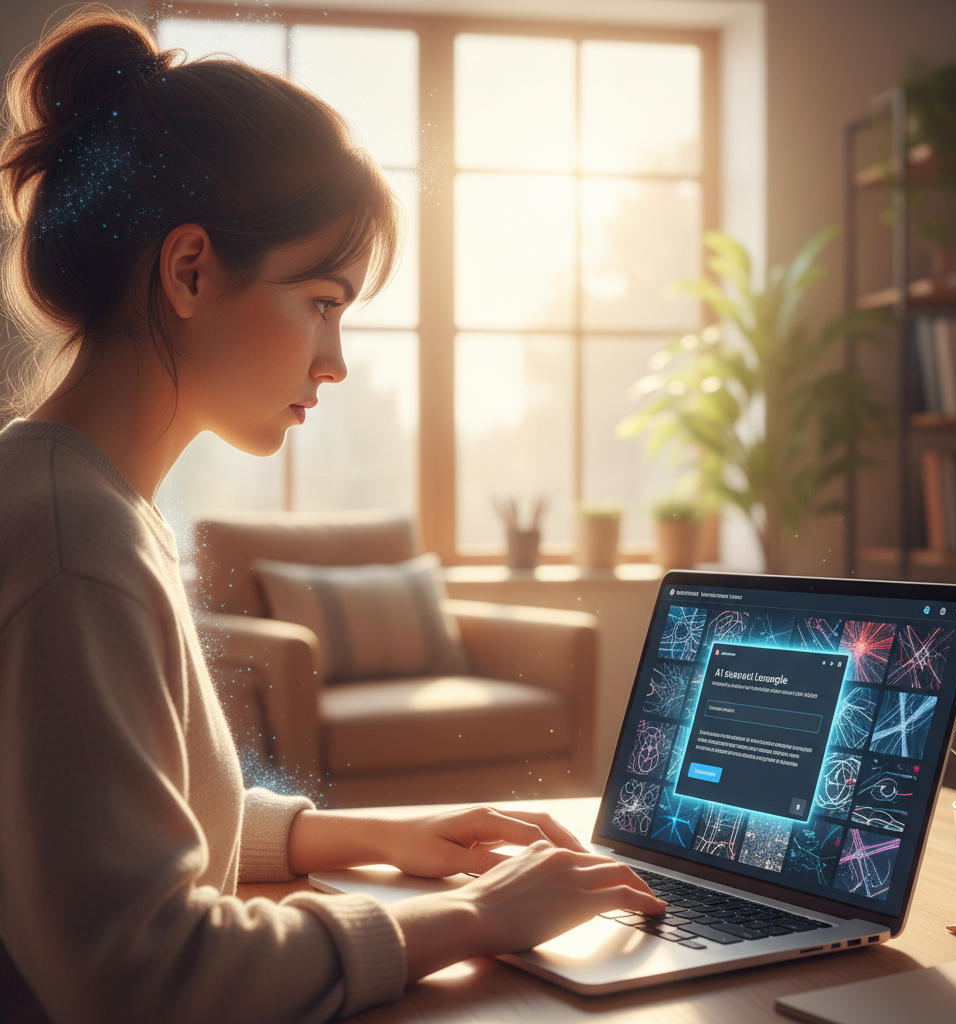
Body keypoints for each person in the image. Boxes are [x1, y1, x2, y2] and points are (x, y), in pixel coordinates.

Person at [0, 8, 664, 1023]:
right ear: (189, 271)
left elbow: (123, 820)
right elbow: (136, 973)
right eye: (322, 300)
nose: (337, 360)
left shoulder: (82, 499)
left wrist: (381, 835)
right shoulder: (71, 543)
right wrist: (475, 916)